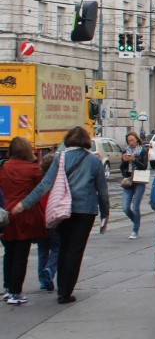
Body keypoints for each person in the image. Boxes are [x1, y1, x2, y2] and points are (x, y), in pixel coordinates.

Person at [11, 126, 109, 304]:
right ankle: (65, 291)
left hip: (63, 211)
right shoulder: (94, 161)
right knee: (75, 250)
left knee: (63, 247)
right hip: (86, 211)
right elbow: (102, 191)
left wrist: (24, 204)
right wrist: (105, 214)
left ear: (68, 139)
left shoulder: (60, 158)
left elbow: (44, 185)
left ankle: (61, 289)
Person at [1, 137, 47, 305]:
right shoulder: (33, 169)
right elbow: (40, 190)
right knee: (21, 254)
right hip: (25, 215)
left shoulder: (4, 167)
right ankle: (15, 292)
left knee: (9, 253)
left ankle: (7, 288)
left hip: (6, 215)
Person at [35, 152, 59, 289]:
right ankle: (49, 271)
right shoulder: (57, 183)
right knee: (57, 248)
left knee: (42, 251)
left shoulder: (39, 182)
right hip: (54, 221)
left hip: (40, 221)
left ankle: (42, 281)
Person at [120, 131, 149, 239]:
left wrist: (134, 160)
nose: (131, 142)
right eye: (129, 141)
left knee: (135, 207)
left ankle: (135, 230)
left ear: (136, 139)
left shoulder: (142, 150)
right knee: (125, 207)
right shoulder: (126, 151)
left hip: (139, 180)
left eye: (132, 140)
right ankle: (136, 221)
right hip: (129, 180)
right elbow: (122, 168)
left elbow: (144, 166)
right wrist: (124, 161)